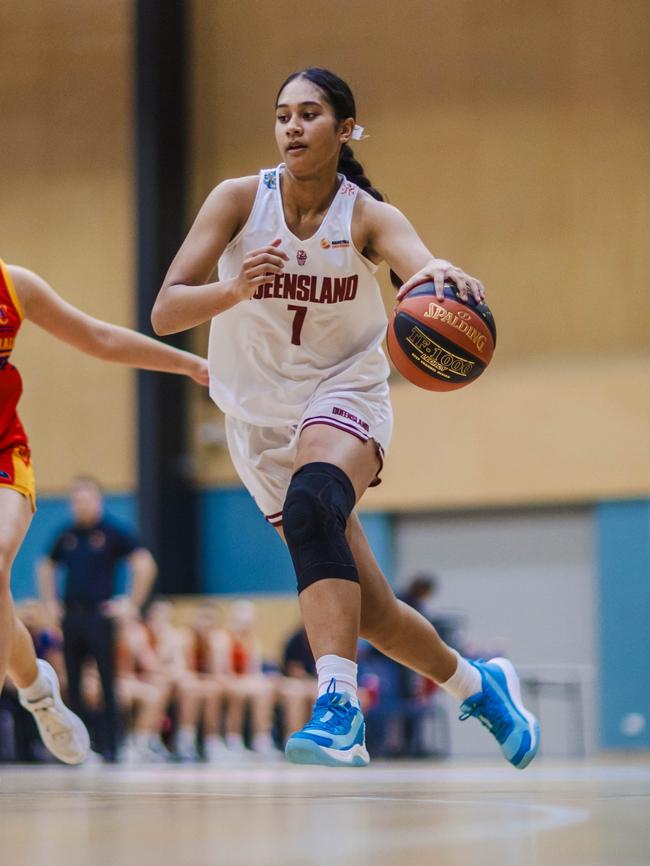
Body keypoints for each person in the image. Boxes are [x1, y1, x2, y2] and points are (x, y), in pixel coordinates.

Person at [151, 67, 539, 769]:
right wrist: (235, 288)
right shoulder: (239, 200)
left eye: (308, 114)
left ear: (345, 129)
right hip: (257, 419)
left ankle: (337, 705)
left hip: (344, 391)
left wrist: (438, 274)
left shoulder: (365, 215)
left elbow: (418, 266)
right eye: (282, 116)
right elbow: (166, 308)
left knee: (311, 508)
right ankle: (479, 685)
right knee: (377, 611)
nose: (292, 127)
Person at [0, 259, 208, 765]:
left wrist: (187, 364)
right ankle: (38, 692)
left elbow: (98, 337)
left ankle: (40, 695)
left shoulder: (13, 284)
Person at [38, 478, 157, 761]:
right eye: (76, 500)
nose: (80, 505)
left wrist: (130, 603)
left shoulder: (112, 532)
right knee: (75, 685)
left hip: (100, 617)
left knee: (107, 682)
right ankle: (78, 748)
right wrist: (51, 604)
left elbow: (144, 565)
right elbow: (46, 565)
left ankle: (111, 747)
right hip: (72, 617)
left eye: (86, 499)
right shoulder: (66, 534)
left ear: (98, 500)